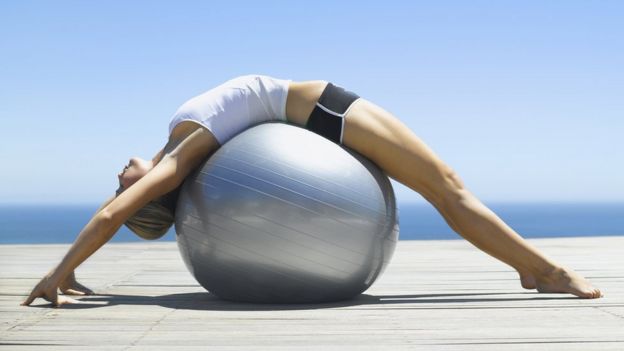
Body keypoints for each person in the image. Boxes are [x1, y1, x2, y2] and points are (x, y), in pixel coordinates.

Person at [22, 74, 603, 307]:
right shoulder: (177, 158)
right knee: (448, 189)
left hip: (315, 124)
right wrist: (59, 272)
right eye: (122, 187)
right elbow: (111, 215)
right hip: (326, 112)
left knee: (448, 190)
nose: (115, 180)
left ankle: (533, 268)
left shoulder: (177, 149)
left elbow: (113, 212)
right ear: (147, 192)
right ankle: (543, 270)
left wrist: (67, 272)